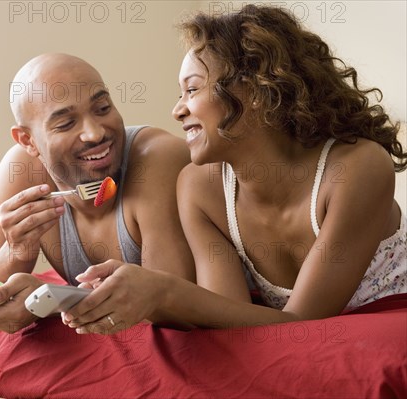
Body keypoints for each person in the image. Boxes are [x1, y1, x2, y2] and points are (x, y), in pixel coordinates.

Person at [62, 5, 407, 334]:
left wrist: (164, 291)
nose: (177, 110)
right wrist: (142, 289)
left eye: (192, 89)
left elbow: (301, 322)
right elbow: (228, 318)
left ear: (256, 89)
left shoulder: (357, 168)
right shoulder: (199, 188)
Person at [0, 53, 195, 332]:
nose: (95, 134)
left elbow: (171, 309)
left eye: (103, 108)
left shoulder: (157, 160)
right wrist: (16, 252)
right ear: (27, 140)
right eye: (66, 124)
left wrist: (48, 306)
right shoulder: (24, 171)